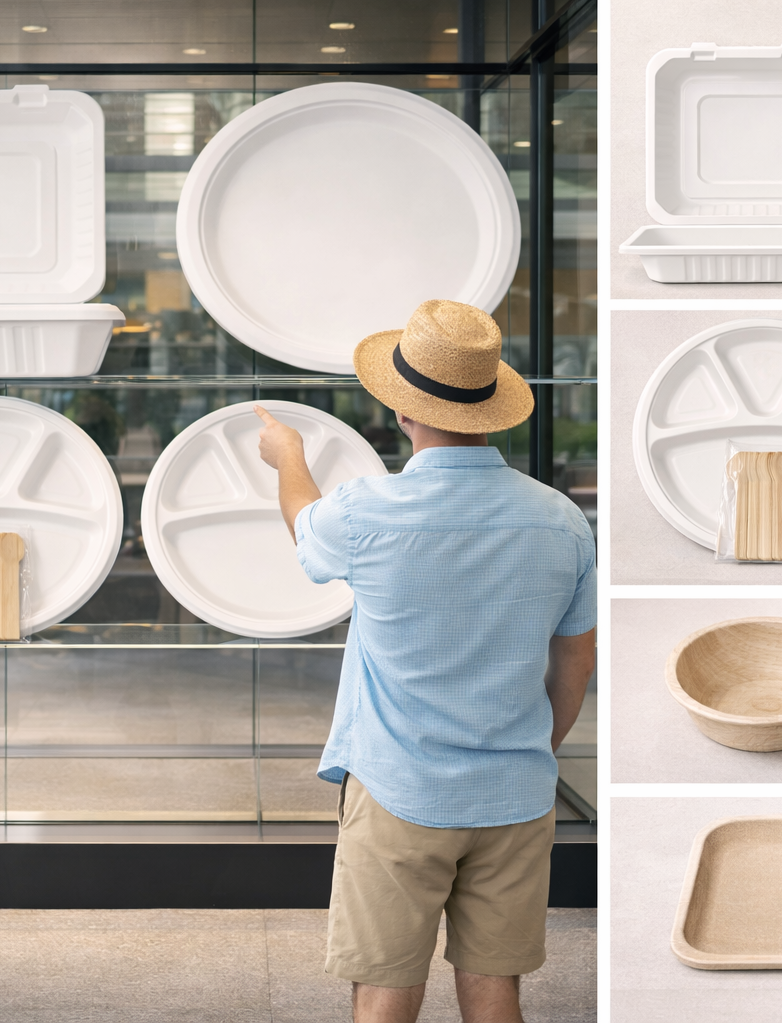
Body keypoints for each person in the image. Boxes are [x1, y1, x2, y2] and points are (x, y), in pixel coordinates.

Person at [253, 298, 597, 1023]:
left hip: (398, 786)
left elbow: (303, 526)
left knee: (385, 993)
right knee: (495, 989)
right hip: (515, 790)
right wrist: (534, 749)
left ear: (402, 410)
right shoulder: (560, 520)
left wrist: (289, 457)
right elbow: (577, 662)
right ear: (490, 407)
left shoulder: (366, 512)